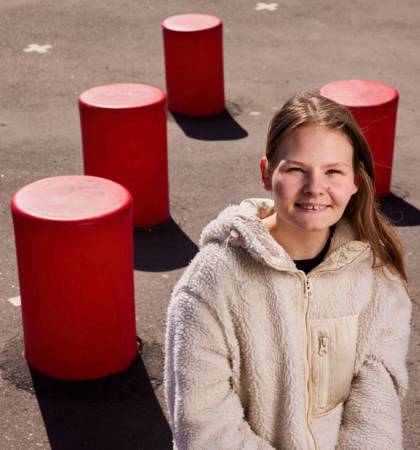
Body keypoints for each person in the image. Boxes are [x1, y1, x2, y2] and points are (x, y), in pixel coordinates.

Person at [164, 90, 413, 450]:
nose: (315, 188)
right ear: (267, 174)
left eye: (333, 171)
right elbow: (206, 430)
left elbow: (376, 414)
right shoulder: (211, 283)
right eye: (296, 169)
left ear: (355, 181)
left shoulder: (378, 278)